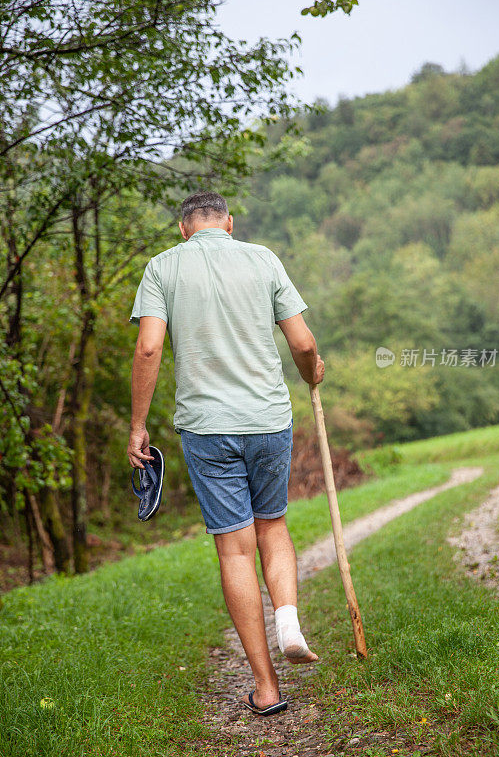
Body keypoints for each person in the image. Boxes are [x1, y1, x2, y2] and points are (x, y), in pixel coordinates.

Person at [127, 190, 325, 714]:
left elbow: (148, 347)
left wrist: (138, 426)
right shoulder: (263, 259)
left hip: (207, 429)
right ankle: (288, 622)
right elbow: (303, 344)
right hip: (266, 419)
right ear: (229, 224)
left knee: (235, 549)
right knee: (273, 525)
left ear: (182, 228)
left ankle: (265, 687)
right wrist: (313, 374)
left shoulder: (161, 267)